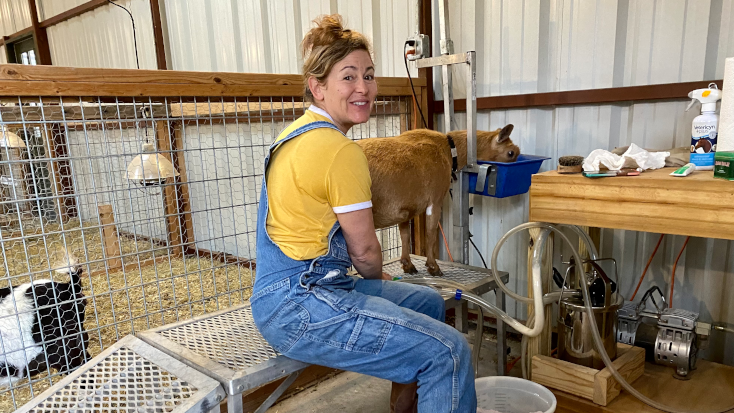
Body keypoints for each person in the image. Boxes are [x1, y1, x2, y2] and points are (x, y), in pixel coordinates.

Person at [250, 14, 476, 413]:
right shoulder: (339, 151)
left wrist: (375, 280)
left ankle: (404, 405)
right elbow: (366, 253)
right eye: (348, 77)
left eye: (369, 76)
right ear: (317, 87)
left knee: (427, 304)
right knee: (450, 349)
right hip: (302, 307)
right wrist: (376, 276)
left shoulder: (292, 135)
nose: (363, 88)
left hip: (290, 293)